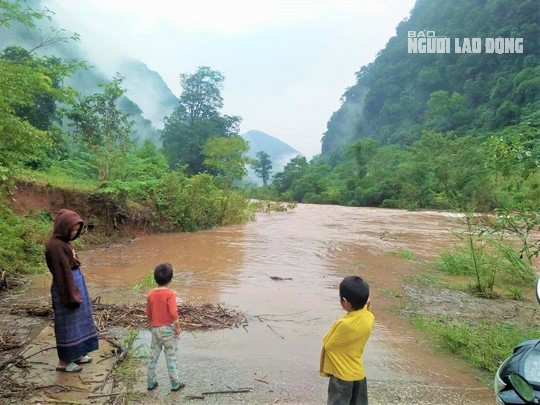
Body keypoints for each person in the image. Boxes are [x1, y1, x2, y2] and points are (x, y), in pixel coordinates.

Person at [45, 209, 99, 372]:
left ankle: (76, 355)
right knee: (67, 324)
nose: (74, 233)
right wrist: (71, 295)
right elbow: (62, 273)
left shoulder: (63, 242)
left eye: (76, 230)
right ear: (63, 227)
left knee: (79, 321)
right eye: (72, 229)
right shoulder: (54, 245)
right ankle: (64, 362)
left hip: (74, 285)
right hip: (66, 288)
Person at [320, 276, 375, 405]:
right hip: (359, 374)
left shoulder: (343, 324)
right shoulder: (370, 317)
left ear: (344, 301)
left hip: (341, 376)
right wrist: (367, 306)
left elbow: (328, 344)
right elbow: (366, 312)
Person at [146, 263, 184, 392]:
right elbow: (173, 312)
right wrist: (177, 327)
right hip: (168, 330)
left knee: (153, 356)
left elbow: (148, 313)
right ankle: (175, 384)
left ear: (155, 278)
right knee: (171, 357)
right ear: (170, 280)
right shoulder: (170, 294)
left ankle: (151, 382)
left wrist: (152, 323)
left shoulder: (150, 294)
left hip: (155, 329)